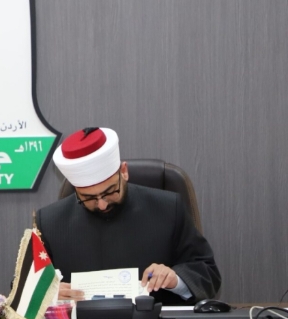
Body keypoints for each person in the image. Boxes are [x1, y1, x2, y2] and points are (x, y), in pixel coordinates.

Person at [35, 127, 221, 304]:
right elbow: (28, 289)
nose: (102, 204)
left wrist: (176, 279)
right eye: (88, 198)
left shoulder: (168, 208)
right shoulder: (50, 222)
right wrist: (48, 296)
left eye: (110, 191)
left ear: (124, 172)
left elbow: (208, 274)